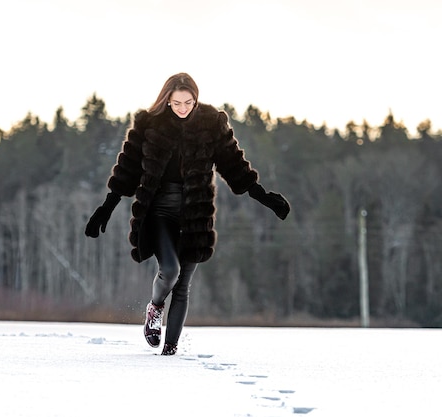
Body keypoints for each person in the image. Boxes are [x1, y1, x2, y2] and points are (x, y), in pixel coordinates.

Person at [85, 73, 290, 355]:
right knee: (170, 270)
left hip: (195, 213)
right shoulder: (148, 124)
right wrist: (107, 207)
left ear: (196, 99)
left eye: (189, 102)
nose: (183, 108)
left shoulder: (211, 123)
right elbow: (128, 167)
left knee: (182, 286)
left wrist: (263, 196)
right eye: (177, 102)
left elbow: (233, 164)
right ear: (167, 100)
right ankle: (155, 309)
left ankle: (170, 350)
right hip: (158, 211)